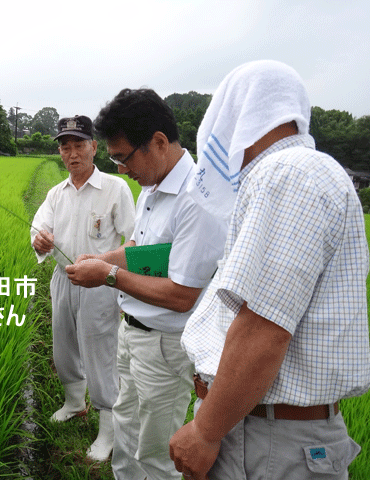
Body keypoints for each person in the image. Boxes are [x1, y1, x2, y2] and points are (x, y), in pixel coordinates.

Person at [169, 60, 370, 480]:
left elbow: (264, 326)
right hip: (261, 429)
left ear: (238, 113)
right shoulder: (292, 174)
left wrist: (206, 432)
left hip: (267, 441)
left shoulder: (288, 174)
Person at [65, 89, 227, 479]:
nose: (121, 169)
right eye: (114, 159)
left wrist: (106, 275)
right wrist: (104, 258)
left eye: (123, 157)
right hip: (133, 332)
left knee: (156, 451)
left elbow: (181, 295)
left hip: (165, 345)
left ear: (157, 141)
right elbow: (140, 249)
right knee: (126, 429)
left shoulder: (196, 199)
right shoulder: (155, 186)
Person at [31, 115, 136, 461]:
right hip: (63, 277)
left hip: (99, 282)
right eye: (65, 146)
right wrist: (41, 241)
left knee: (101, 353)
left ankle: (109, 428)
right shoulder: (56, 193)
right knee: (63, 349)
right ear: (60, 152)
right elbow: (39, 231)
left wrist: (105, 264)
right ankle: (75, 403)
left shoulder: (114, 189)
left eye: (79, 145)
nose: (72, 153)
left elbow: (135, 238)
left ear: (94, 148)